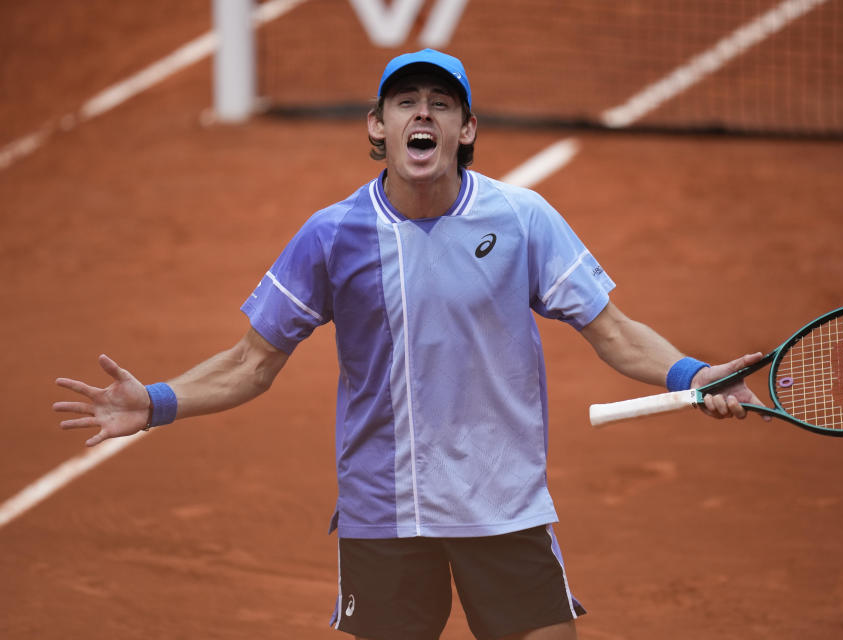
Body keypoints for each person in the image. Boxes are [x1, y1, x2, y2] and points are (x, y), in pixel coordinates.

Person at [54, 49, 766, 640]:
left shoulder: (522, 218)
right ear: (378, 125)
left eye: (440, 103)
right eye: (404, 102)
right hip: (387, 514)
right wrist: (154, 401)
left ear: (465, 128)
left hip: (503, 504)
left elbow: (612, 331)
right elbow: (251, 362)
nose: (422, 112)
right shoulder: (332, 236)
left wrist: (695, 374)